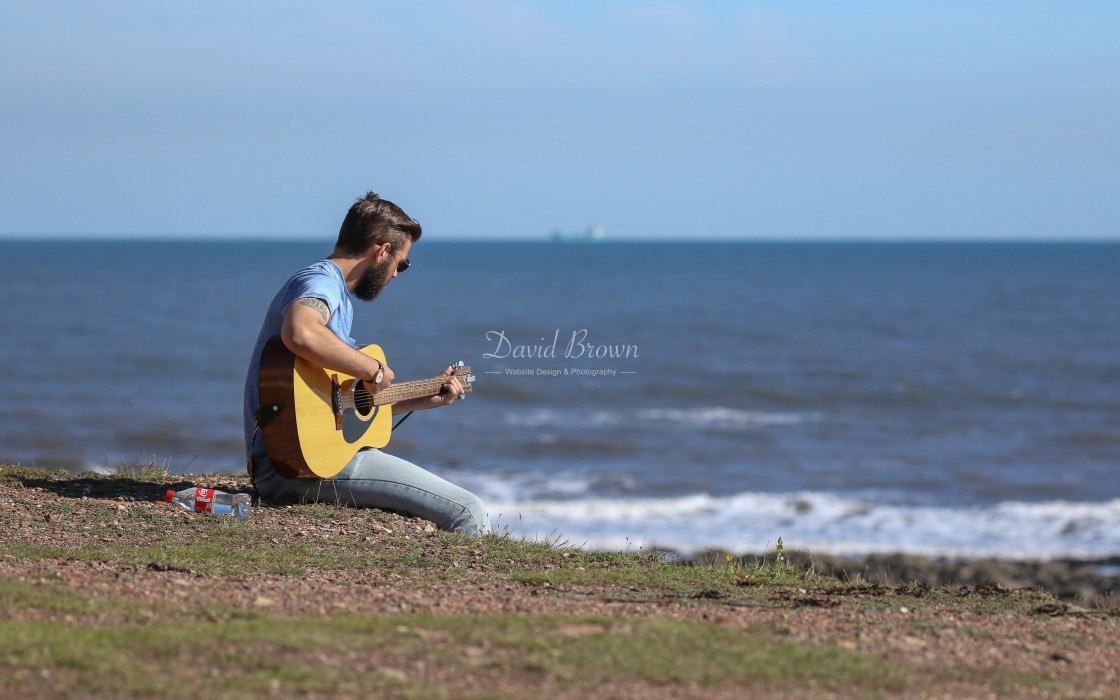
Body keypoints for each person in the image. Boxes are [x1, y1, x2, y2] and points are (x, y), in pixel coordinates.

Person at [243, 191, 490, 538]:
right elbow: (299, 330)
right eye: (401, 263)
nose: (397, 275)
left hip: (294, 464)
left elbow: (340, 406)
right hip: (297, 470)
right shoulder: (320, 282)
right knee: (469, 511)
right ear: (383, 250)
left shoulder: (337, 297)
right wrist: (373, 369)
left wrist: (427, 396)